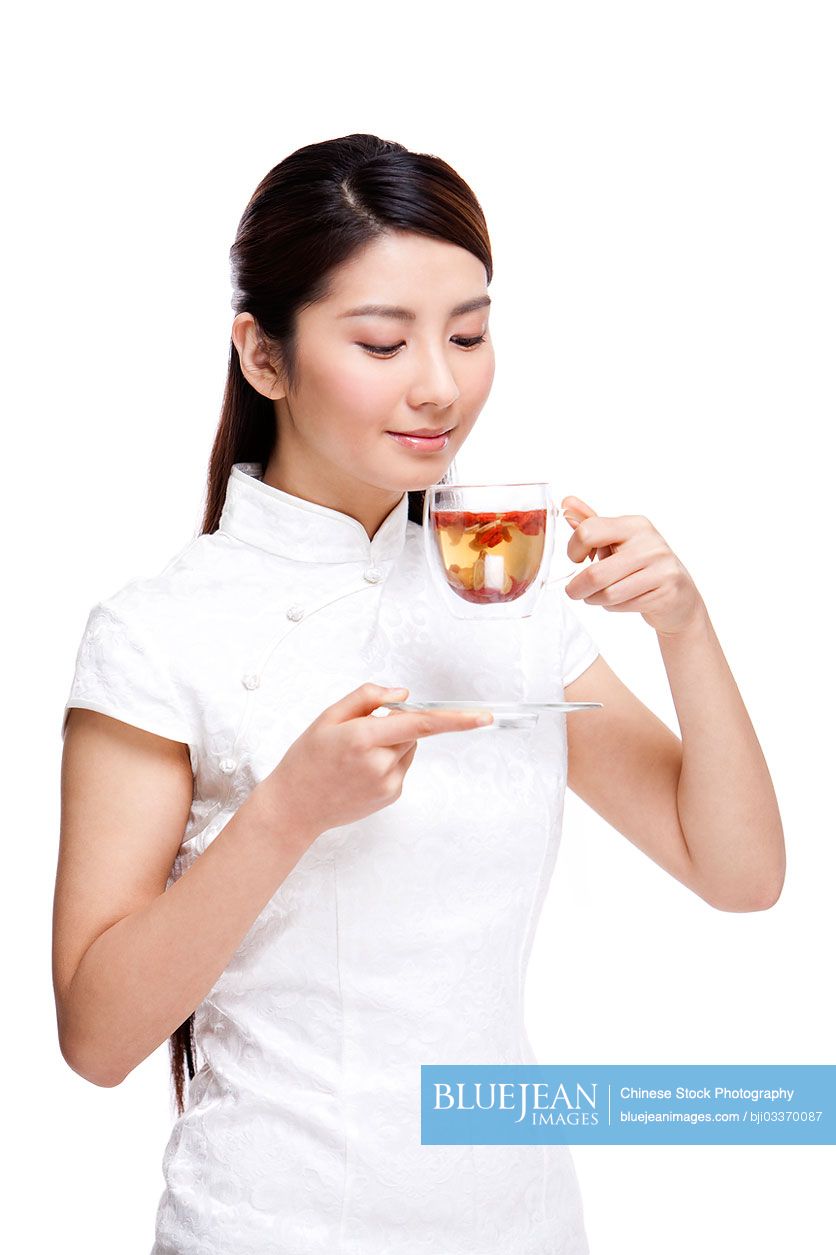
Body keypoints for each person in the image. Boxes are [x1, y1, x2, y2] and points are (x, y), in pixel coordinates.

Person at [53, 133, 785, 1254]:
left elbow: (736, 875)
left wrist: (686, 628)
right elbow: (98, 1036)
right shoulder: (158, 629)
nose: (440, 385)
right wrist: (288, 809)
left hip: (522, 1221)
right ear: (263, 356)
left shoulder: (506, 592)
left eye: (469, 334)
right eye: (383, 341)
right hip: (272, 1224)